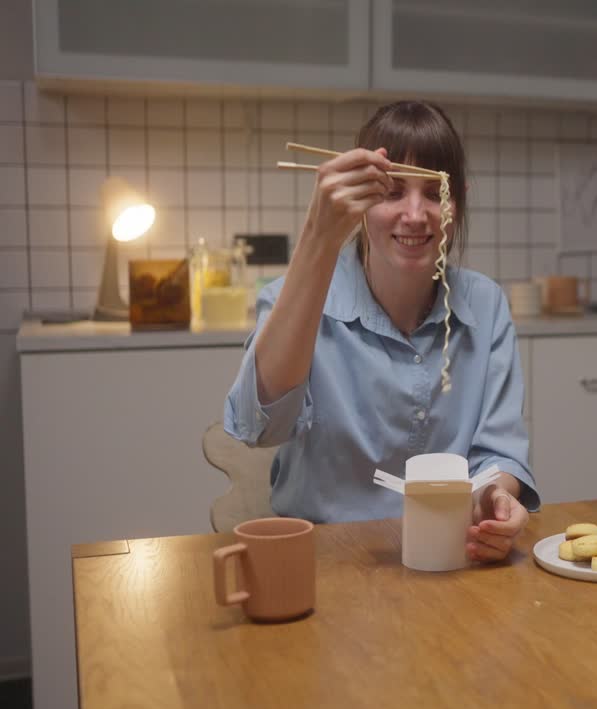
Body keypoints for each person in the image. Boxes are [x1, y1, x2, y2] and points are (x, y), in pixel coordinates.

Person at [224, 101, 537, 563]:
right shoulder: (298, 296)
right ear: (362, 201)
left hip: (449, 558)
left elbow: (498, 454)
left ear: (459, 202)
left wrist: (495, 498)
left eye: (435, 193)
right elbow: (259, 425)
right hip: (326, 563)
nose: (415, 214)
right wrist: (318, 235)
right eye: (392, 192)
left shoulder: (485, 305)